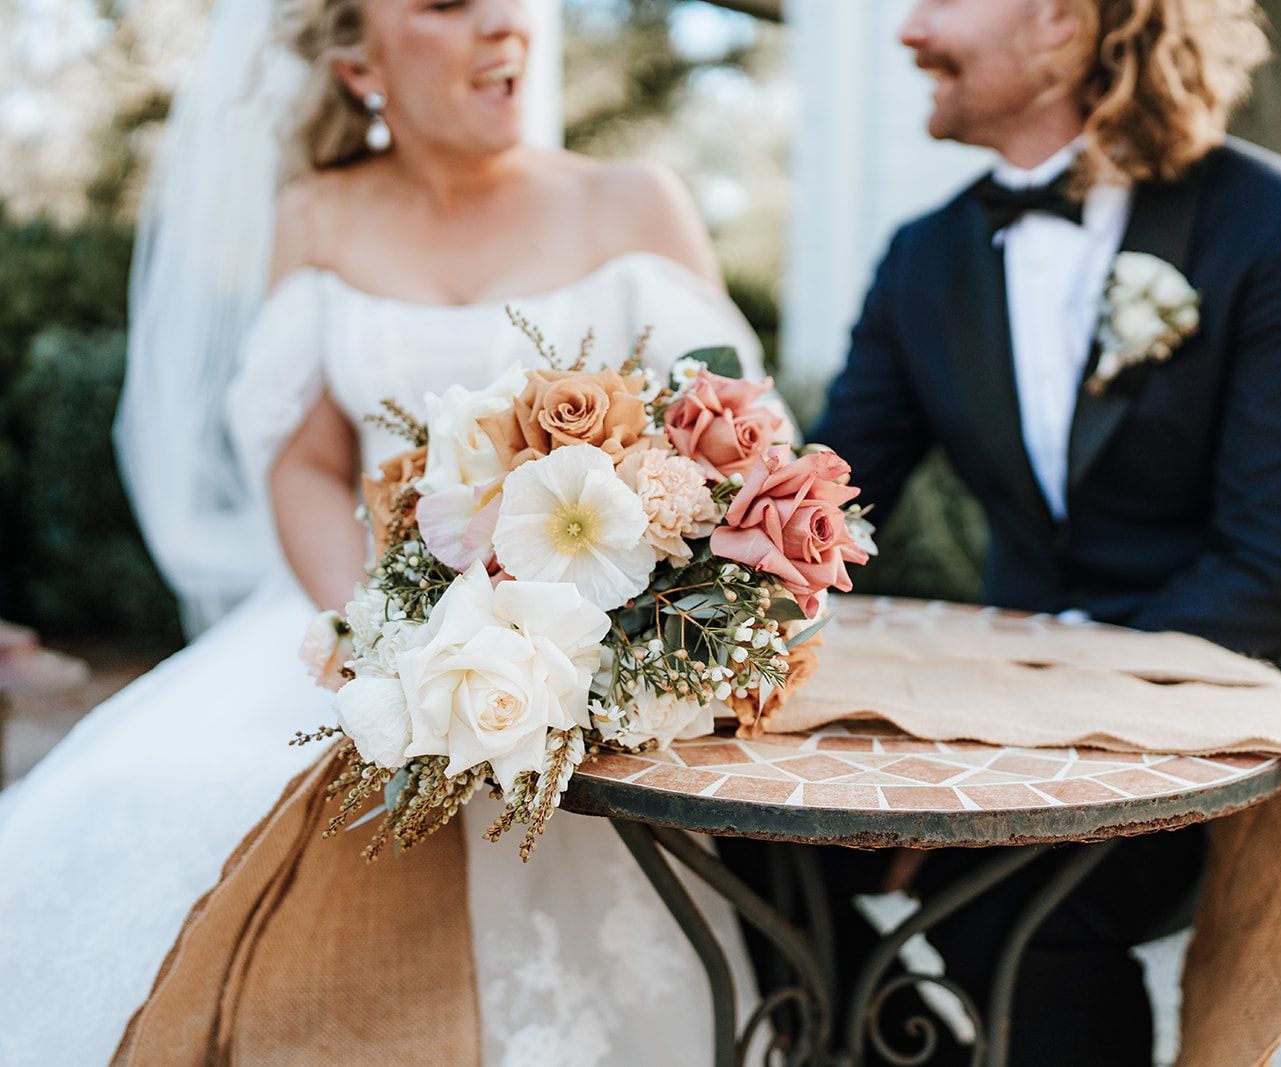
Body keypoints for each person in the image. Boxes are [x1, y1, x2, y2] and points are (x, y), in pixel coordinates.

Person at [0, 0, 763, 1062]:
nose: (503, 24)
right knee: (144, 806)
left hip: (593, 655)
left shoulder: (636, 201)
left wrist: (599, 634)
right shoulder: (317, 216)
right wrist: (384, 637)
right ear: (360, 65)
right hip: (350, 616)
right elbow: (306, 462)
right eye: (446, 6)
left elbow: (725, 446)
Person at [806, 0, 1281, 1062]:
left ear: (1063, 23)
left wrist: (1013, 699)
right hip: (1018, 709)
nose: (906, 29)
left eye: (940, 0)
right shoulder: (923, 258)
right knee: (769, 859)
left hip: (1233, 692)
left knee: (1019, 899)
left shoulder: (1279, 227)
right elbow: (822, 508)